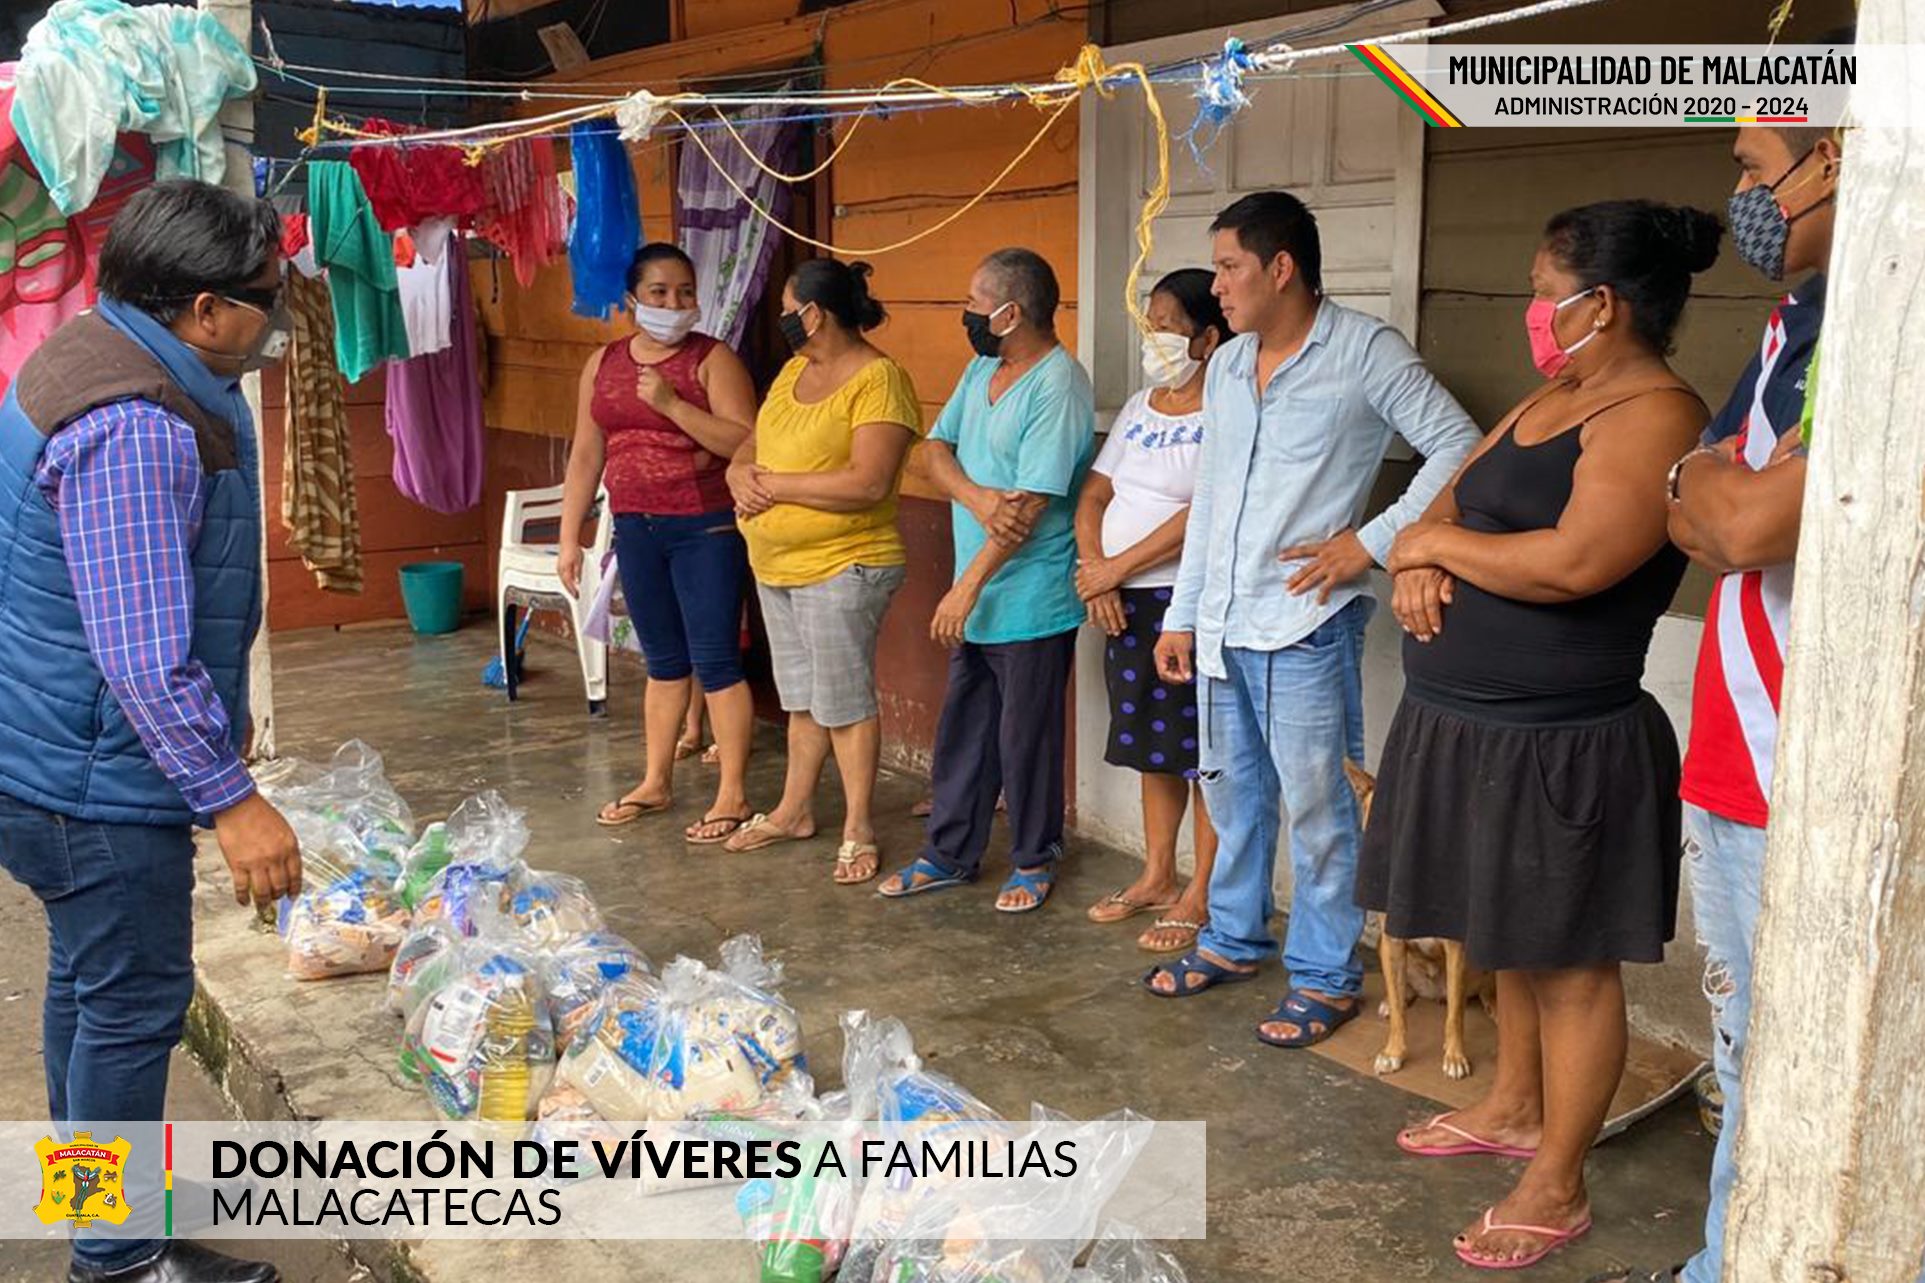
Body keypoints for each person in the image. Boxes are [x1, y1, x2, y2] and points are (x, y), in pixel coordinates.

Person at [1361, 200, 1721, 1272]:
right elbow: (1457, 499)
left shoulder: (1651, 412)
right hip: (1467, 723)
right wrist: (1426, 549)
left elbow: (1575, 560)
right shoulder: (1557, 392)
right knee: (1506, 930)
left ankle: (1556, 1180)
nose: (1528, 311)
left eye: (1538, 290)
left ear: (1596, 303)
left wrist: (1433, 543)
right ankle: (1514, 1105)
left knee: (1566, 961)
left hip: (1559, 735)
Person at [0, 180, 299, 1283]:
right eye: (269, 300)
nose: (280, 319)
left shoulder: (99, 349)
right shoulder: (132, 423)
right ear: (207, 308)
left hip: (44, 747)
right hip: (89, 777)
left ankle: (101, 1221)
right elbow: (138, 653)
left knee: (89, 989)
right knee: (130, 1006)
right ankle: (117, 1259)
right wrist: (232, 795)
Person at [1594, 115, 1852, 1283]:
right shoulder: (1796, 318)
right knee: (1756, 1051)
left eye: (1752, 170)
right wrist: (1708, 483)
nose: (1737, 195)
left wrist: (1707, 485)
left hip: (1813, 764)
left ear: (1837, 157)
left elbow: (1733, 518)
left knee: (1796, 1065)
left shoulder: (1879, 331)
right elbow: (1687, 497)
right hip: (1742, 744)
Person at [1144, 192, 1480, 1042]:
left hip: (1303, 624)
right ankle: (1230, 938)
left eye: (1228, 267)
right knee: (1233, 795)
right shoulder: (1225, 365)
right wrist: (1182, 614)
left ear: (1280, 267)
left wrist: (1367, 543)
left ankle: (1325, 975)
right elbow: (1212, 497)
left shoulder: (1363, 351)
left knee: (1322, 804)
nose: (1216, 287)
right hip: (1222, 623)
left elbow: (1459, 443)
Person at [878, 248, 1094, 912]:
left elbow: (1026, 508)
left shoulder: (1058, 384)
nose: (965, 314)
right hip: (976, 593)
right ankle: (948, 853)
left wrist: (966, 586)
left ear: (1010, 312)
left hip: (1028, 595)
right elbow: (933, 448)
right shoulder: (982, 369)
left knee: (1023, 736)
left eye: (974, 302)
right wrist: (974, 498)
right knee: (965, 728)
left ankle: (1033, 856)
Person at [722, 259, 923, 883]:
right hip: (776, 563)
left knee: (844, 701)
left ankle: (859, 826)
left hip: (845, 564)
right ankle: (793, 810)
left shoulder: (879, 380)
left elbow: (868, 482)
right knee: (804, 698)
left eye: (787, 305)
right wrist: (738, 473)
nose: (782, 318)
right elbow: (753, 442)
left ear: (814, 312)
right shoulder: (792, 370)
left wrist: (773, 487)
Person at [560, 243, 759, 845]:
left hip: (705, 528)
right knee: (663, 661)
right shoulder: (604, 363)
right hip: (635, 527)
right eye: (659, 293)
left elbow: (745, 442)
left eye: (686, 293)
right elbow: (586, 453)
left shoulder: (712, 360)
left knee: (717, 661)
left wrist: (671, 405)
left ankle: (733, 792)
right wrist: (571, 538)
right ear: (631, 302)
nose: (675, 304)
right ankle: (655, 780)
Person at [1076, 269, 1227, 954]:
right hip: (1121, 601)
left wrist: (1119, 567)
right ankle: (1158, 874)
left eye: (1168, 324)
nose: (1155, 337)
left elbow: (1204, 511)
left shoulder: (1225, 408)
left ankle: (1202, 892)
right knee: (1152, 749)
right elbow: (1095, 495)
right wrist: (1096, 574)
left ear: (1207, 336)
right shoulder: (1140, 405)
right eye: (1151, 322)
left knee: (1201, 752)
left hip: (1181, 602)